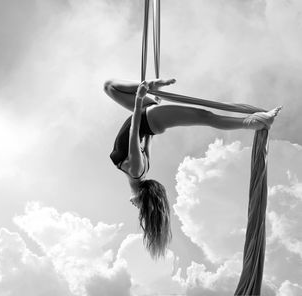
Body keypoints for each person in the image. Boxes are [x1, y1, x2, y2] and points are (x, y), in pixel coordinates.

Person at [104, 78, 281, 259]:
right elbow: (134, 132)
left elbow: (145, 139)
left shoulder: (139, 171)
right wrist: (140, 98)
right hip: (147, 117)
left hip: (145, 116)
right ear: (144, 198)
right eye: (142, 207)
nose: (135, 206)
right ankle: (256, 122)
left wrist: (149, 99)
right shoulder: (135, 170)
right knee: (205, 116)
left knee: (110, 88)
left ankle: (155, 85)